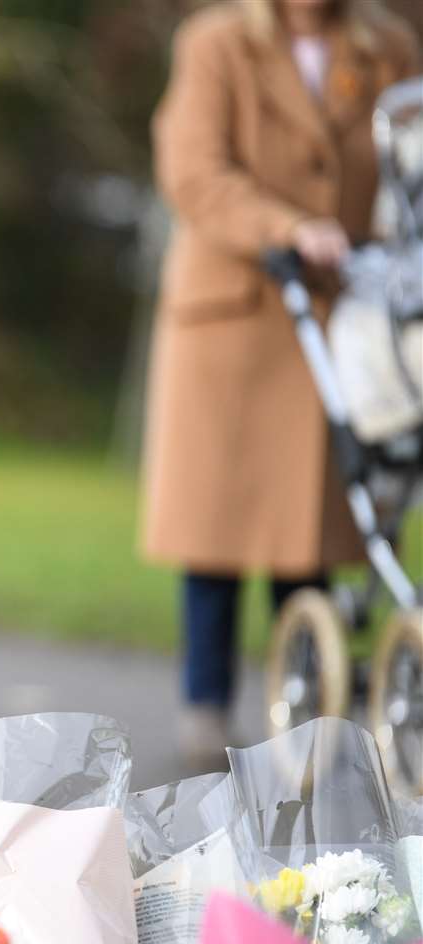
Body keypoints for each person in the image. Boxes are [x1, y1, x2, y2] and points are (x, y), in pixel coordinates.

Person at [141, 0, 420, 768]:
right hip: (236, 314)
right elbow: (193, 169)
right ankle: (203, 707)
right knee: (217, 531)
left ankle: (308, 701)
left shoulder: (388, 45)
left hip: (346, 315)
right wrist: (288, 227)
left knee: (314, 529)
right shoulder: (216, 44)